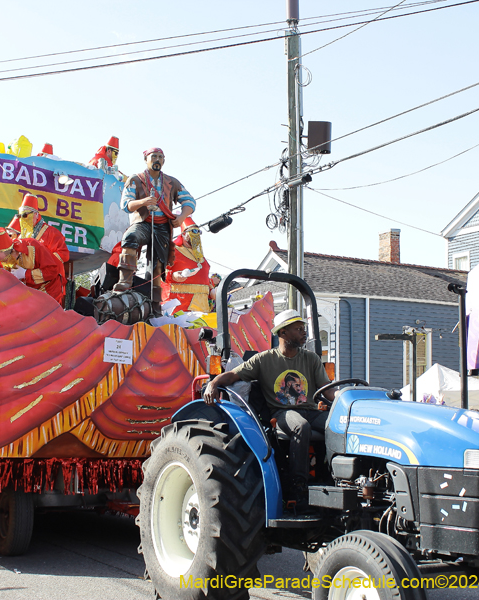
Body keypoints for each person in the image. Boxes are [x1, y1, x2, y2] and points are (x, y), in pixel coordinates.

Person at [203, 310, 333, 501]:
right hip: (282, 413)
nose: (303, 332)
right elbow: (233, 375)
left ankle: (330, 475)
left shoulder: (311, 359)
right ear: (283, 333)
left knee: (338, 425)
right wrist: (213, 384)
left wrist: (345, 395)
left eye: (304, 328)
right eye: (298, 329)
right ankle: (298, 484)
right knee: (301, 426)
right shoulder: (264, 360)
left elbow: (328, 390)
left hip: (312, 411)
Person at [114, 148, 196, 317]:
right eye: (154, 157)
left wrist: (181, 217)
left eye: (160, 157)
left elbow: (189, 201)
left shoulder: (172, 182)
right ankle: (124, 285)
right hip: (144, 222)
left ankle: (154, 304)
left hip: (162, 226)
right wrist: (143, 201)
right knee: (130, 238)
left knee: (157, 264)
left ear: (164, 160)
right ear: (146, 159)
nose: (157, 160)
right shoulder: (136, 179)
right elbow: (126, 205)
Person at [0, 227, 65, 305]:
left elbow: (52, 271)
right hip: (27, 293)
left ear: (13, 251)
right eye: (1, 261)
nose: (4, 263)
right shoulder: (1, 259)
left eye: (5, 260)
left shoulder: (34, 247)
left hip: (48, 289)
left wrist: (25, 274)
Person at [161, 218, 212, 313]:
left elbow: (204, 278)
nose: (196, 234)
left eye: (198, 232)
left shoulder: (200, 256)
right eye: (193, 231)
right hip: (181, 303)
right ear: (183, 234)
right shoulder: (173, 251)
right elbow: (161, 272)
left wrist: (212, 290)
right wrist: (173, 276)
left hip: (202, 305)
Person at [17, 193, 69, 265]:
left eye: (25, 215)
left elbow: (64, 254)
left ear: (36, 214)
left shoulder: (52, 233)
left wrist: (43, 262)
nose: (22, 219)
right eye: (20, 216)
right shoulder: (21, 236)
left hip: (45, 273)